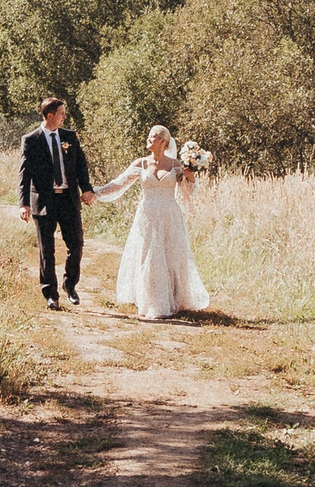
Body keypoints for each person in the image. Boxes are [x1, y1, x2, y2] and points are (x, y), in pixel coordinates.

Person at [91, 125, 210, 321]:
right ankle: (153, 301)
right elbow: (119, 183)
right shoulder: (141, 164)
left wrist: (190, 177)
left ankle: (173, 297)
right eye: (149, 136)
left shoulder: (176, 165)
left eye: (154, 137)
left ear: (163, 142)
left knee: (170, 256)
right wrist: (94, 192)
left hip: (170, 215)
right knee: (150, 256)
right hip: (147, 215)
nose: (149, 139)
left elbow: (188, 192)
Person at [17, 97, 91, 310]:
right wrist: (24, 204)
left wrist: (86, 189)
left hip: (68, 199)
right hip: (44, 200)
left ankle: (70, 284)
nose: (65, 117)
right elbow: (24, 174)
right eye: (61, 113)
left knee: (76, 243)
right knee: (46, 250)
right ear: (50, 116)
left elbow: (81, 165)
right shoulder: (31, 140)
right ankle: (51, 294)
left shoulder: (69, 137)